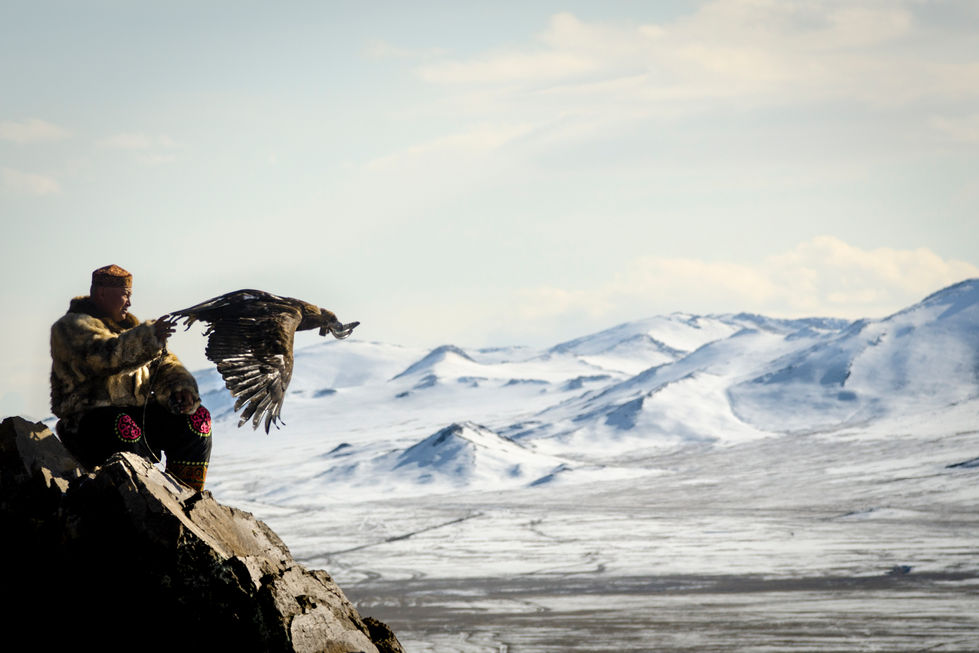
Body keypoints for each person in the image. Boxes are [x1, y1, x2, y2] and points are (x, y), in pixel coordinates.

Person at [50, 264, 212, 491]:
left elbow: (165, 363)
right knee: (122, 426)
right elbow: (105, 356)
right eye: (125, 295)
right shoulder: (70, 328)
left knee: (197, 420)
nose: (129, 302)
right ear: (102, 293)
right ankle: (143, 496)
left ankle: (184, 495)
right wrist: (148, 338)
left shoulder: (131, 329)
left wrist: (179, 388)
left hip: (137, 415)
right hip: (89, 423)